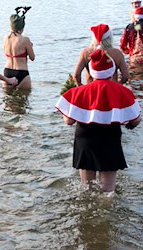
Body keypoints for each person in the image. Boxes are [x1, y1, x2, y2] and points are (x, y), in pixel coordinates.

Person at [55, 49, 141, 192]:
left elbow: (68, 121)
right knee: (108, 190)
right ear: (112, 70)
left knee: (86, 188)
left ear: (92, 71)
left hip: (85, 139)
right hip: (110, 138)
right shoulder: (122, 91)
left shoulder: (78, 92)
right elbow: (136, 120)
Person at [3, 6, 35, 89]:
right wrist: (30, 46)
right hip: (22, 72)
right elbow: (32, 57)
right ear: (22, 27)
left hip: (7, 72)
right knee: (23, 100)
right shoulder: (25, 39)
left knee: (7, 100)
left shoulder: (5, 38)